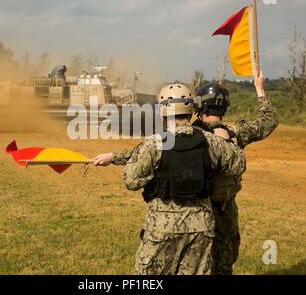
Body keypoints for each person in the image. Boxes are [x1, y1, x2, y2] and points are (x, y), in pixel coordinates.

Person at [92, 82, 246, 274]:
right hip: (201, 228)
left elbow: (131, 180)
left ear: (163, 111)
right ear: (191, 109)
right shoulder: (210, 141)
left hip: (162, 228)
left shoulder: (154, 144)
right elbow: (238, 164)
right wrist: (225, 139)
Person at [192, 71, 279, 274]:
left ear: (200, 106)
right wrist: (259, 88)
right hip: (225, 209)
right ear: (224, 107)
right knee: (224, 262)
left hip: (196, 209)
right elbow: (269, 120)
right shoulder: (234, 133)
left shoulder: (191, 134)